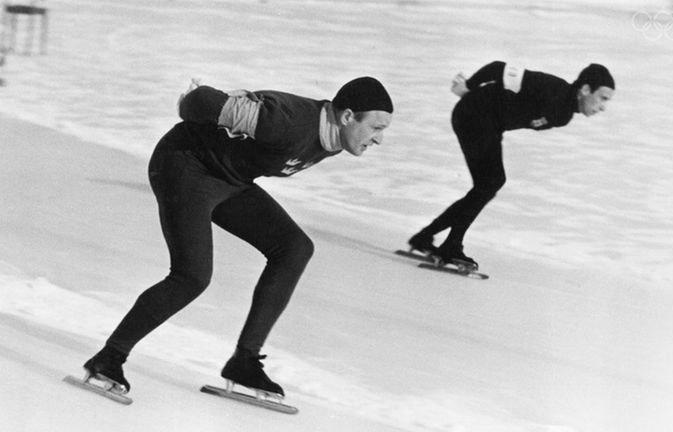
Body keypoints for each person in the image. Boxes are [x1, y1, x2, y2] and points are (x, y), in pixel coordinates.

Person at [83, 76, 393, 397]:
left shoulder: (333, 137)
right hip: (184, 165)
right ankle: (109, 357)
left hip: (230, 179)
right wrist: (215, 104)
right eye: (376, 128)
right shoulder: (286, 122)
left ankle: (244, 362)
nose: (379, 139)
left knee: (294, 248)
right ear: (346, 117)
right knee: (192, 276)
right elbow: (201, 100)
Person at [407, 61, 614, 268]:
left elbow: (510, 107)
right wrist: (468, 87)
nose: (603, 107)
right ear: (585, 89)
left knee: (487, 185)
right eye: (602, 98)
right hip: (473, 114)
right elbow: (498, 68)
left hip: (488, 123)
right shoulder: (552, 88)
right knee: (490, 183)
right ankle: (450, 244)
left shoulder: (564, 115)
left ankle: (427, 237)